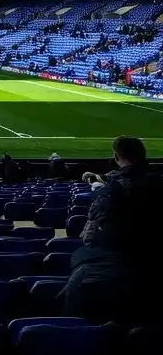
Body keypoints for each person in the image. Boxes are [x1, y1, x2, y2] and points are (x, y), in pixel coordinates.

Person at [62, 136, 163, 325]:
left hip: (113, 266)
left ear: (116, 157)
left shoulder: (111, 193)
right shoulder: (156, 183)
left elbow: (89, 235)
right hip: (151, 268)